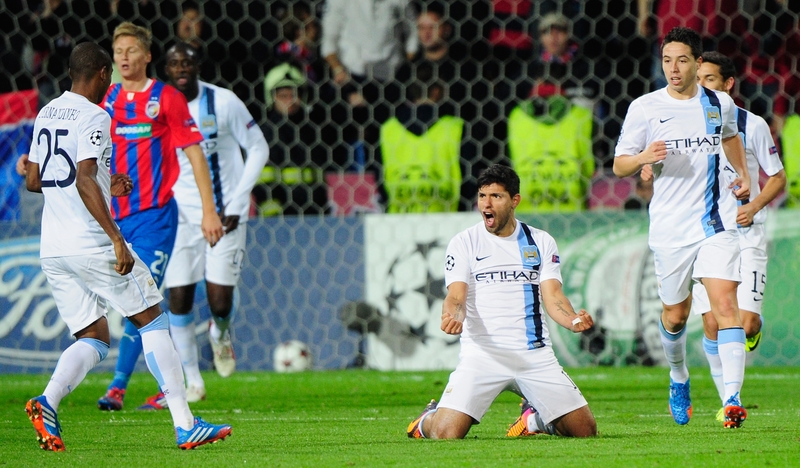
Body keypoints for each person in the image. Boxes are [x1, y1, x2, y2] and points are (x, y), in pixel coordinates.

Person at [21, 41, 231, 451]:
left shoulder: (48, 111)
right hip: (91, 242)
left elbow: (34, 180)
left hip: (54, 248)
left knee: (95, 336)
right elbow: (83, 177)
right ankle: (186, 424)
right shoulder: (96, 114)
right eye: (109, 76)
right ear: (103, 74)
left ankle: (47, 401)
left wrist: (104, 184)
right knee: (153, 320)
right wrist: (116, 237)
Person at [613, 27, 751, 428]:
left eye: (682, 60)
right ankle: (678, 376)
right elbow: (620, 164)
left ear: (697, 62)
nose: (673, 69)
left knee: (726, 306)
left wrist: (743, 173)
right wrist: (643, 157)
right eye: (667, 60)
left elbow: (730, 137)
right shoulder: (645, 107)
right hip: (670, 229)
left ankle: (732, 399)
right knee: (675, 315)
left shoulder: (719, 103)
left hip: (715, 222)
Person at [406, 164, 597, 440]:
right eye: (482, 196)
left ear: (514, 200)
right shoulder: (464, 242)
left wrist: (572, 320)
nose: (486, 204)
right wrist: (454, 316)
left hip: (534, 355)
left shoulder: (540, 241)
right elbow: (456, 296)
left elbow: (553, 294)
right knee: (446, 434)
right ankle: (427, 420)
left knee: (584, 431)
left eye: (496, 196)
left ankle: (533, 420)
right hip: (482, 355)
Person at [96, 22, 225, 411]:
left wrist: (209, 211)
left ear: (148, 56)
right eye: (118, 51)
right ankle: (167, 383)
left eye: (132, 50)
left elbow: (195, 154)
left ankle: (118, 387)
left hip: (154, 217)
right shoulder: (105, 99)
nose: (124, 57)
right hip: (109, 218)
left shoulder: (166, 98)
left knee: (142, 296)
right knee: (120, 301)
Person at [154, 42, 269, 404]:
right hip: (180, 215)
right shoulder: (157, 107)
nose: (181, 68)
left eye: (187, 62)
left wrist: (237, 201)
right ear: (166, 69)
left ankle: (220, 333)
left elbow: (259, 147)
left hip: (225, 214)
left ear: (198, 66)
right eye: (174, 63)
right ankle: (193, 382)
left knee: (219, 302)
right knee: (178, 298)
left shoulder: (223, 101)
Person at [690, 51, 786, 421]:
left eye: (710, 79)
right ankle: (730, 403)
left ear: (728, 84)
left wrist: (754, 205)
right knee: (713, 323)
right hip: (706, 235)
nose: (702, 86)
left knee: (746, 323)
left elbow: (777, 177)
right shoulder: (685, 124)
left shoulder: (752, 124)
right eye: (698, 79)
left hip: (746, 234)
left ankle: (748, 341)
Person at [378, 69, 474, 213]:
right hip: (446, 216)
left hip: (399, 217)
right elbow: (468, 175)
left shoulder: (388, 128)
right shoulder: (454, 126)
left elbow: (379, 175)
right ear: (436, 91)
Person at [255, 62, 339, 216]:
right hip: (281, 216)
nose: (290, 101)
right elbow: (263, 183)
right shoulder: (264, 134)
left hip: (316, 213)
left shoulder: (313, 130)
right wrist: (274, 219)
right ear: (271, 97)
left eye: (294, 95)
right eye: (283, 96)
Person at [507, 81, 595, 213]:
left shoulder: (516, 115)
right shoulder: (581, 115)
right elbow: (588, 166)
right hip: (571, 207)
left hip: (526, 208)